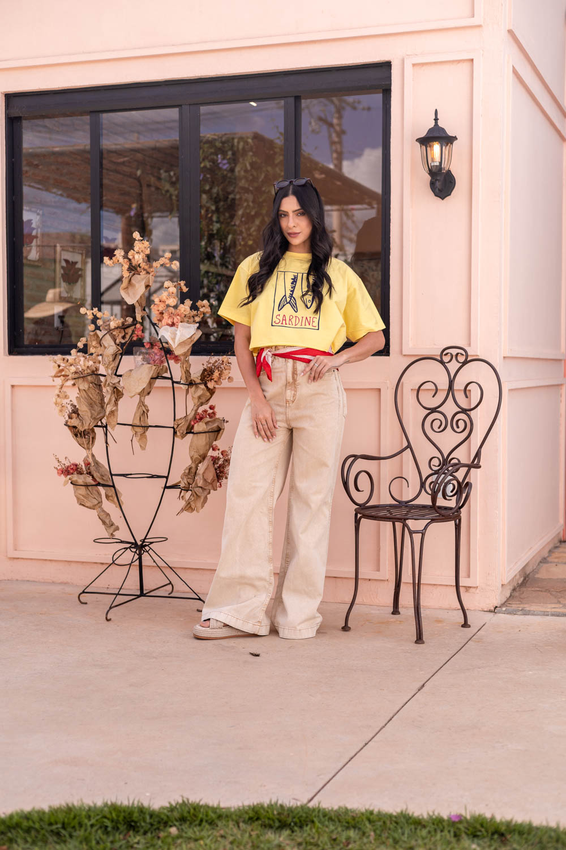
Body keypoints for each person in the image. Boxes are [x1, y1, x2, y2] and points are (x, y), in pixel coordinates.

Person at [193, 177, 385, 641]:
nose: (292, 223)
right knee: (247, 496)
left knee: (311, 503)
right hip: (269, 386)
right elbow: (242, 341)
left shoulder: (338, 274)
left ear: (314, 217)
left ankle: (296, 616)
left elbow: (375, 338)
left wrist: (337, 359)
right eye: (284, 215)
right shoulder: (255, 268)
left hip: (319, 391)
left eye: (300, 214)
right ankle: (238, 612)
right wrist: (256, 398)